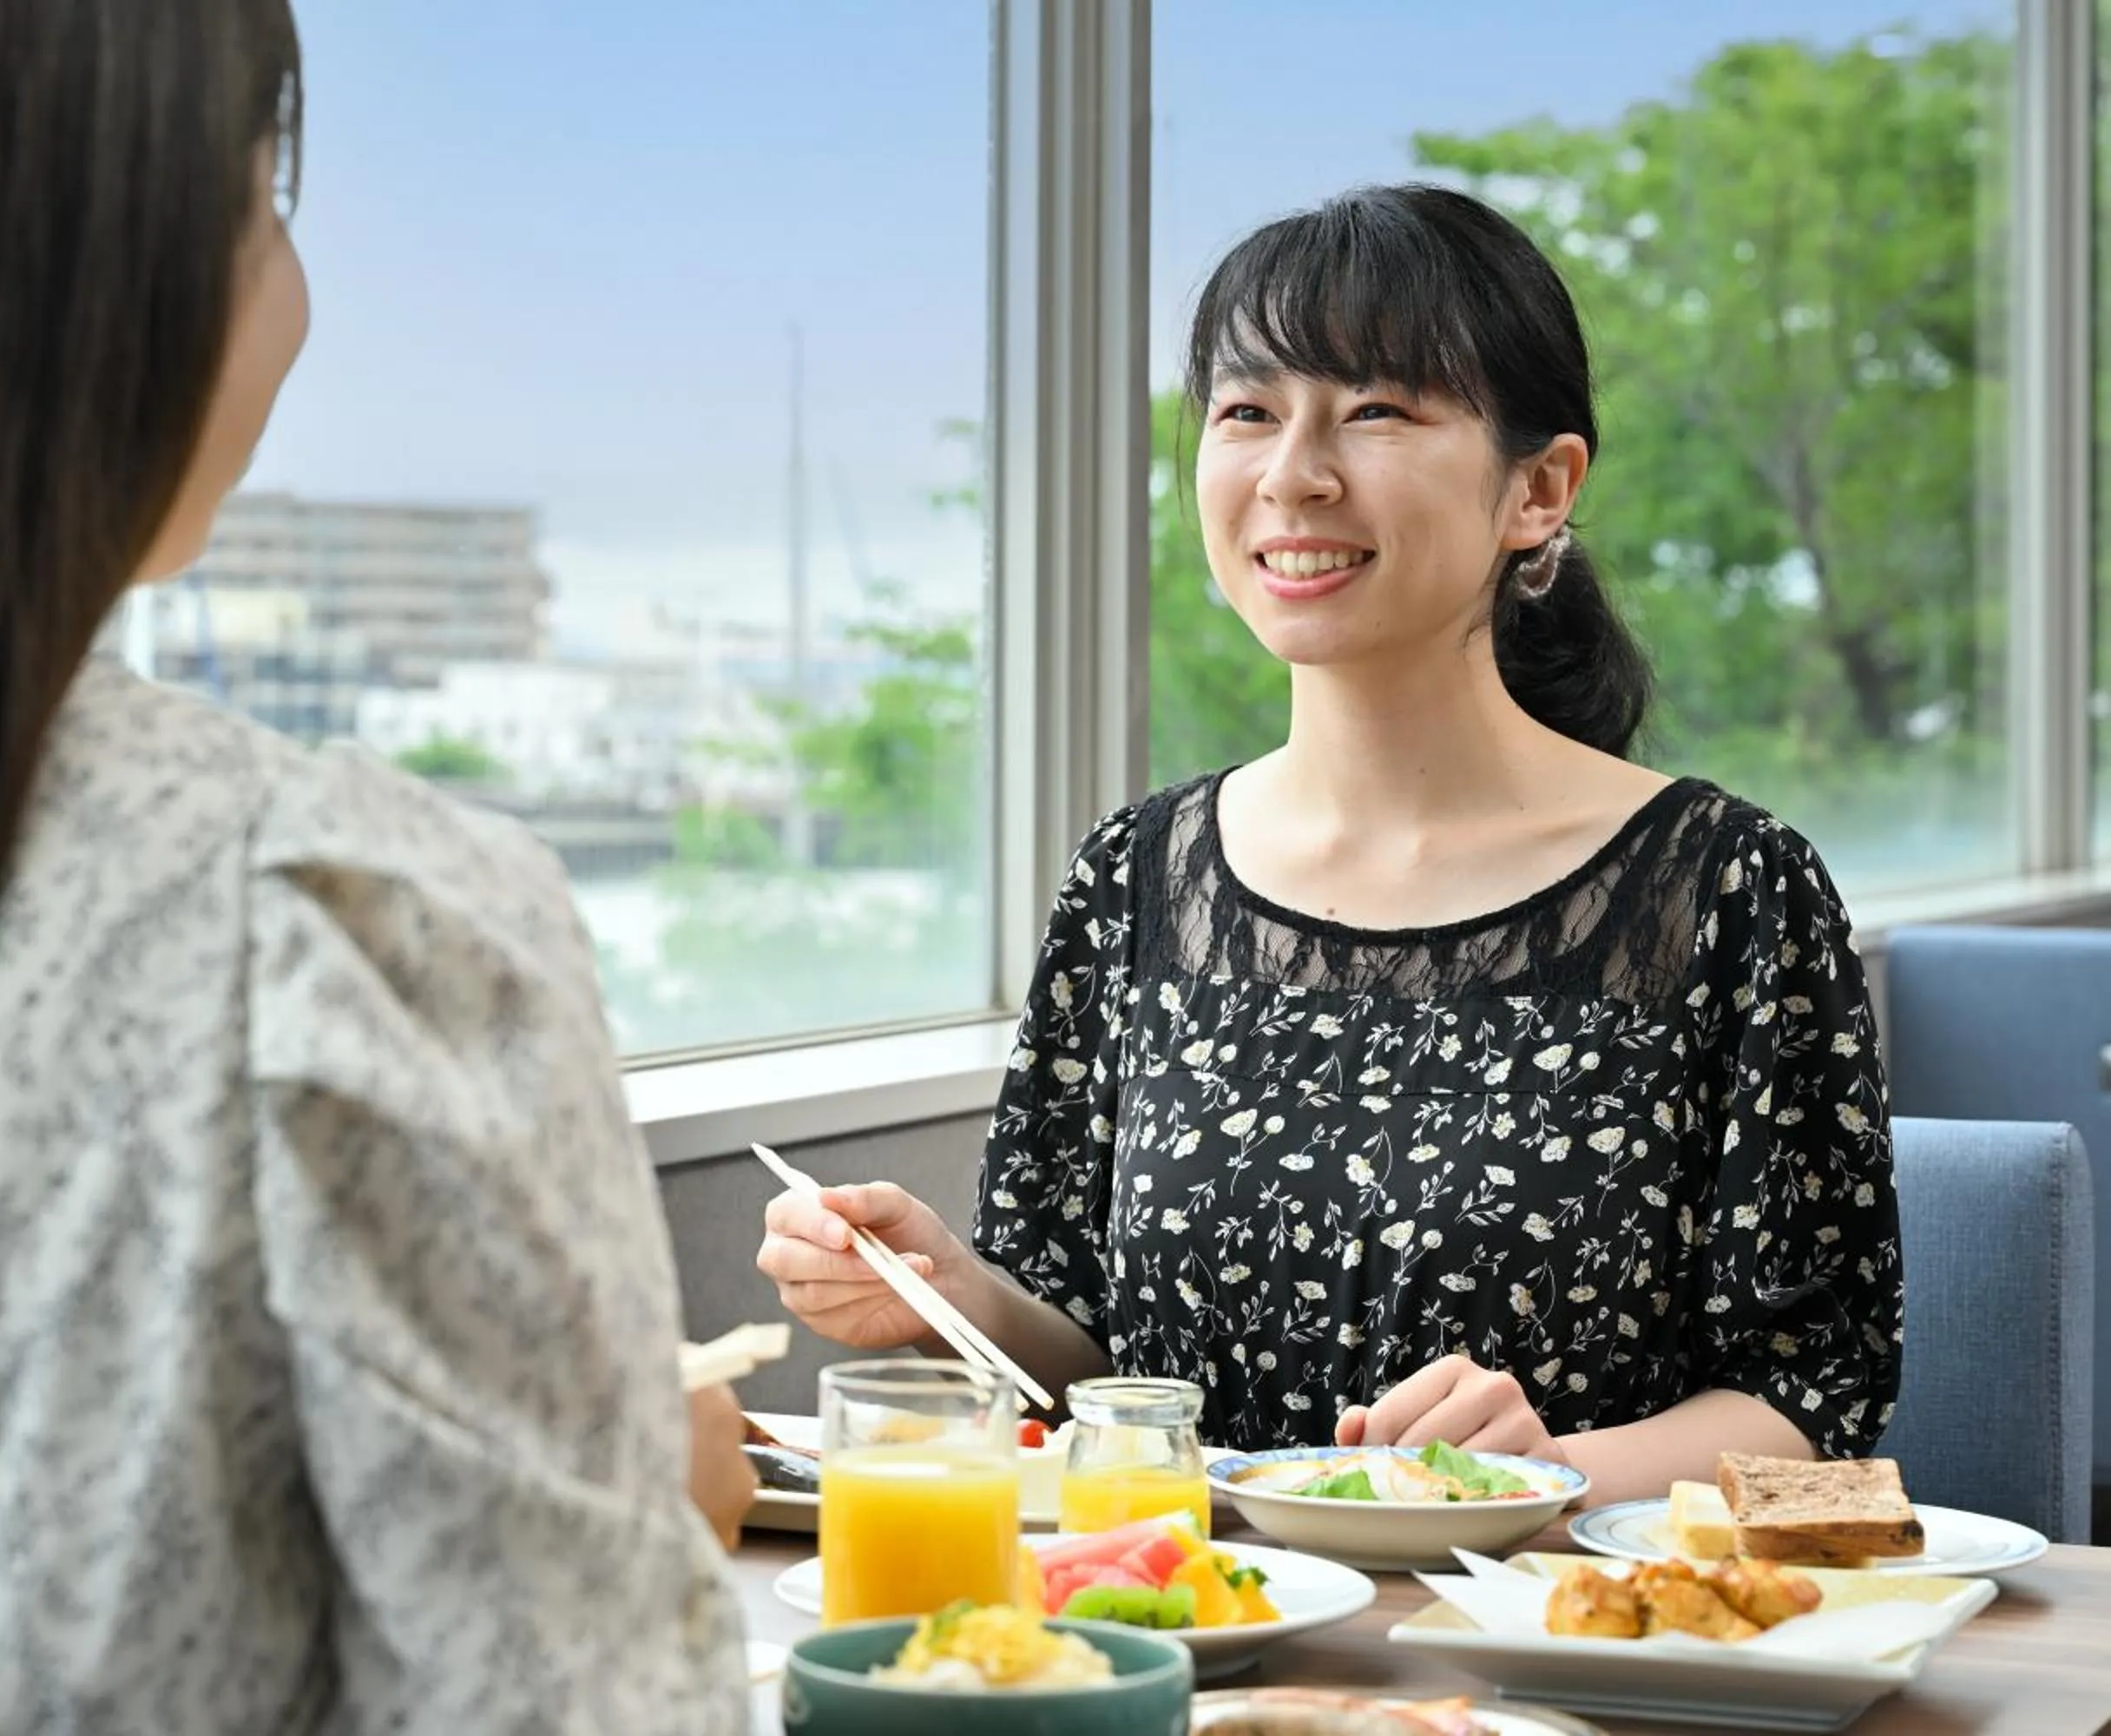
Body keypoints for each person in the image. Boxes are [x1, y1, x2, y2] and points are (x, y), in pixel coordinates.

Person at [0, 2, 749, 1730]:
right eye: (267, 199)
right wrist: (640, 1536)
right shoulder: (344, 933)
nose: (297, 297)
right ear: (102, 276)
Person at [760, 184, 1899, 1509]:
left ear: (1539, 489)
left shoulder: (1729, 890)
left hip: (1551, 1614)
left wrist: (1542, 1474)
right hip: (1196, 1609)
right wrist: (950, 1294)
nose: (1292, 474)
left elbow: (1814, 1400)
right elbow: (1097, 1372)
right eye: (1248, 412)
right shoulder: (1134, 878)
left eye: (1375, 412)